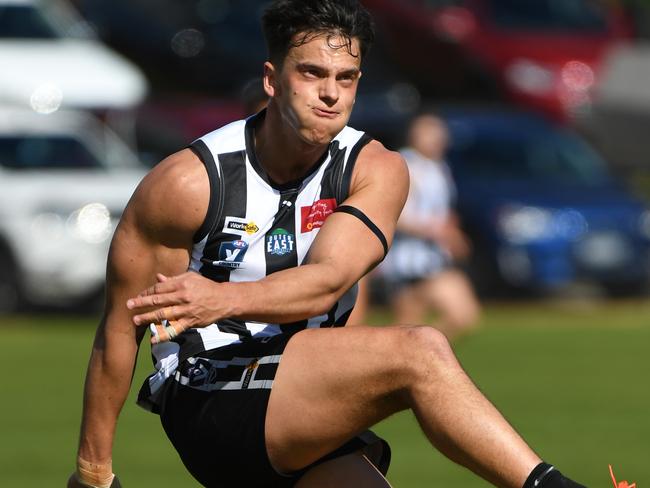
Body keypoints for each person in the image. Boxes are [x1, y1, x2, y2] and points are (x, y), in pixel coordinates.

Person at [68, 1, 587, 487]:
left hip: (305, 395)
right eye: (312, 73)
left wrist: (221, 298)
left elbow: (327, 281)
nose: (331, 94)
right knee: (420, 350)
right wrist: (94, 474)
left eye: (346, 78)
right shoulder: (187, 184)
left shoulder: (376, 168)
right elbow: (120, 325)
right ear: (272, 80)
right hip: (210, 396)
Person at [378, 113, 481, 340]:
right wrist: (437, 232)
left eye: (439, 132)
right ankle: (407, 361)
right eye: (429, 132)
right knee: (406, 331)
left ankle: (417, 358)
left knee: (462, 316)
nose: (437, 138)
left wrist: (452, 230)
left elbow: (439, 211)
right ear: (413, 134)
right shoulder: (406, 164)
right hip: (408, 263)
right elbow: (395, 216)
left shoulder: (439, 167)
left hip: (435, 260)